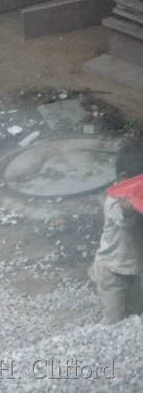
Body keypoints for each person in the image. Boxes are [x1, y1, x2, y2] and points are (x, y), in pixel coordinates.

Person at [89, 139, 143, 324]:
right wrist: (127, 212)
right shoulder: (114, 202)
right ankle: (102, 336)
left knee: (136, 310)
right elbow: (125, 221)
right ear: (124, 178)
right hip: (112, 269)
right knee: (114, 319)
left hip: (133, 267)